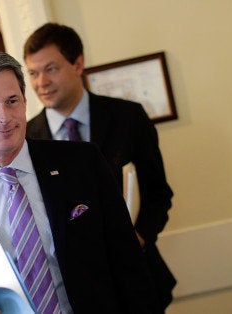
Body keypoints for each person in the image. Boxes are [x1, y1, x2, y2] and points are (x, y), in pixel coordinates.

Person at [0, 50, 160, 313]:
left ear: (25, 101)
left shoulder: (82, 162)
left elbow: (128, 263)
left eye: (12, 101)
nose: (4, 117)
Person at [23, 23, 176, 310]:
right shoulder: (27, 139)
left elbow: (158, 193)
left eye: (51, 68)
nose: (40, 82)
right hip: (69, 295)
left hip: (140, 283)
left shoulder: (128, 117)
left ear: (78, 64)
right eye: (32, 72)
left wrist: (139, 238)